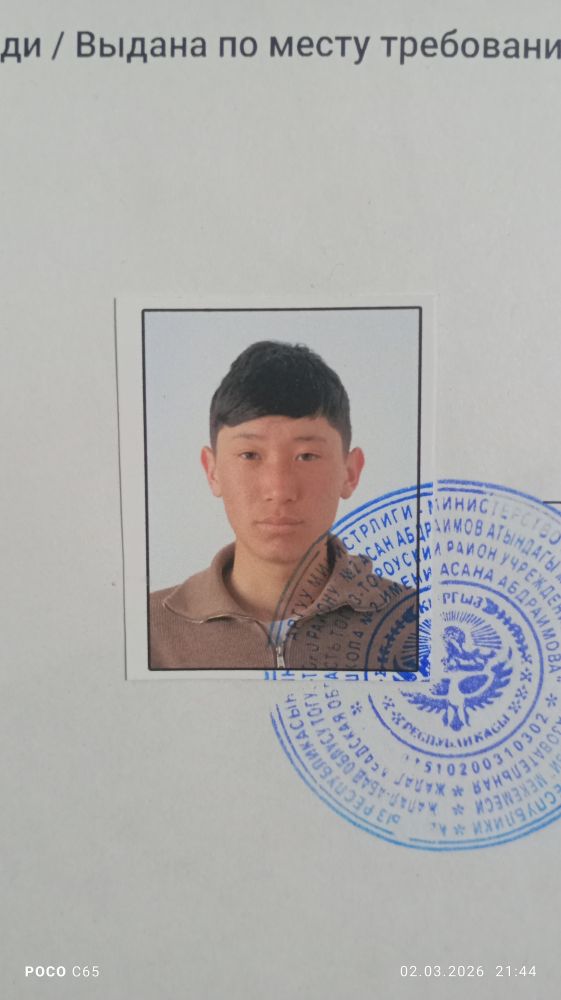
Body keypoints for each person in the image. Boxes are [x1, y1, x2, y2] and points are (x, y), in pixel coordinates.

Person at [149, 340, 417, 670]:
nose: (279, 490)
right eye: (250, 455)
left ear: (350, 472)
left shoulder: (417, 626)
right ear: (212, 471)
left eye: (307, 456)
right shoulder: (147, 631)